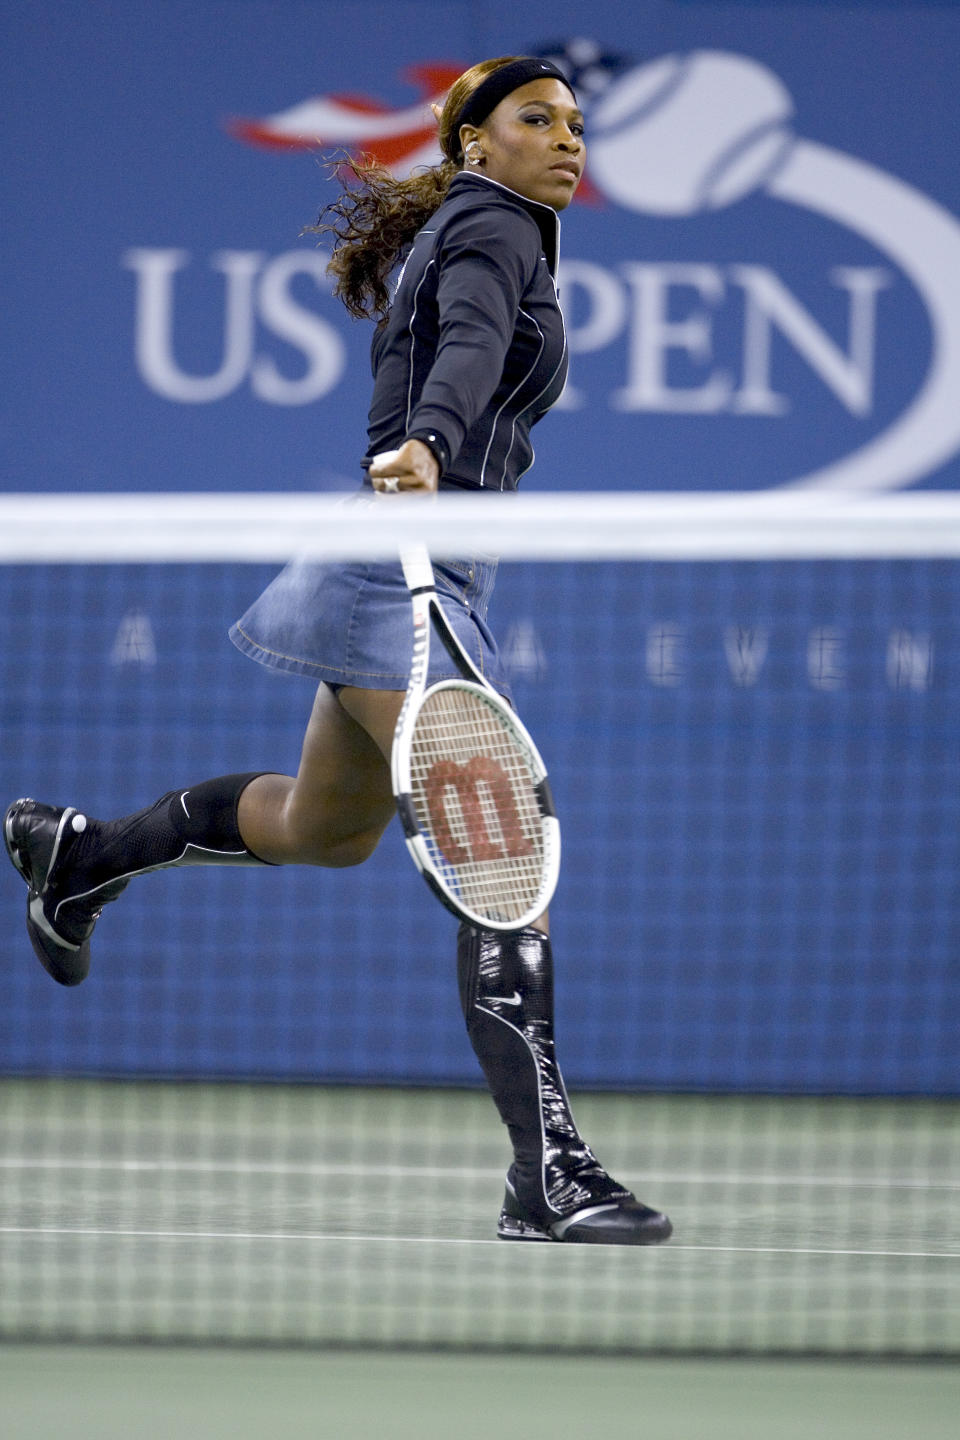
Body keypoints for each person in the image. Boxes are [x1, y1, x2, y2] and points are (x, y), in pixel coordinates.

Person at [5, 57, 671, 1246]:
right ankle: (548, 1174)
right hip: (400, 567)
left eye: (579, 123)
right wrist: (427, 439)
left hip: (417, 563)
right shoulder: (494, 220)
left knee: (325, 829)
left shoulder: (495, 223)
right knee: (502, 851)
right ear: (474, 142)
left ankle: (85, 852)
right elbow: (467, 342)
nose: (569, 140)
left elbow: (462, 341)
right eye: (537, 119)